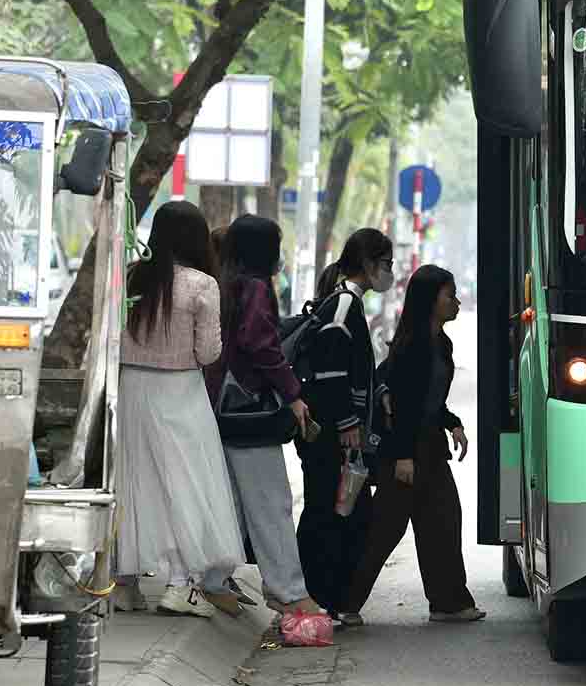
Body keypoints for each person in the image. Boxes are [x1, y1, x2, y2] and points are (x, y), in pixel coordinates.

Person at [116, 200, 243, 618]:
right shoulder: (202, 285)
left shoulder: (133, 276)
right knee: (183, 484)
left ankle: (124, 583)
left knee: (134, 481)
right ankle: (178, 584)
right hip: (180, 392)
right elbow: (208, 353)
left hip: (131, 386)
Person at [340, 265, 483, 626]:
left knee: (444, 521)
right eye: (449, 294)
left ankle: (449, 603)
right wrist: (403, 455)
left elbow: (431, 401)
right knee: (385, 529)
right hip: (403, 452)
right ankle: (345, 602)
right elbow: (402, 406)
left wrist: (453, 423)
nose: (456, 301)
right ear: (430, 300)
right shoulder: (411, 347)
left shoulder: (441, 343)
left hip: (431, 449)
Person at [202, 215, 325, 620]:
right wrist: (293, 395)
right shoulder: (255, 287)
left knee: (232, 502)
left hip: (221, 408)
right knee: (272, 502)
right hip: (251, 412)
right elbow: (260, 344)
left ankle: (213, 579)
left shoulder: (226, 283)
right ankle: (288, 591)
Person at [296, 228, 393, 623]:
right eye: (386, 264)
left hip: (338, 434)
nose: (389, 272)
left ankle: (330, 598)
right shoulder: (343, 306)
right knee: (328, 512)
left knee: (346, 512)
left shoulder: (347, 304)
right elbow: (331, 371)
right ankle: (316, 597)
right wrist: (348, 421)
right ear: (369, 264)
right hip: (332, 436)